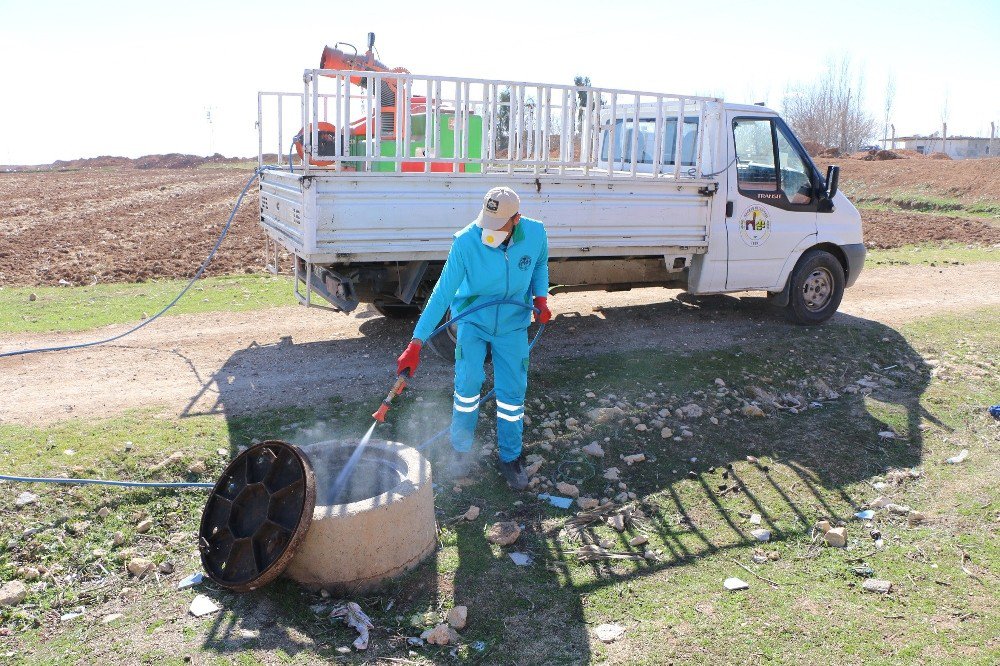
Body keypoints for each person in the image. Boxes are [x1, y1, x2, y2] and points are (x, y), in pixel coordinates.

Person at [396, 186, 551, 490]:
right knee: (467, 386)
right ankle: (460, 450)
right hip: (473, 322)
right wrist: (416, 343)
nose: (488, 231)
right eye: (486, 223)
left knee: (512, 393)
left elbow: (540, 265)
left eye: (498, 226)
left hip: (512, 325)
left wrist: (541, 298)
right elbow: (442, 294)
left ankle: (511, 457)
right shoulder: (466, 242)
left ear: (516, 220)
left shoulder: (535, 234)